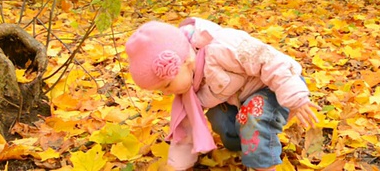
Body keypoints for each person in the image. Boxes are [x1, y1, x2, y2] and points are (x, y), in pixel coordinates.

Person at [125, 17, 320, 171]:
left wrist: (296, 97)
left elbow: (270, 61)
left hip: (277, 86)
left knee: (252, 116)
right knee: (220, 118)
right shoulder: (187, 88)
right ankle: (248, 145)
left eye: (166, 85)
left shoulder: (223, 47)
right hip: (239, 97)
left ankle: (264, 164)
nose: (167, 93)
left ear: (186, 61)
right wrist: (177, 166)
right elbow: (186, 128)